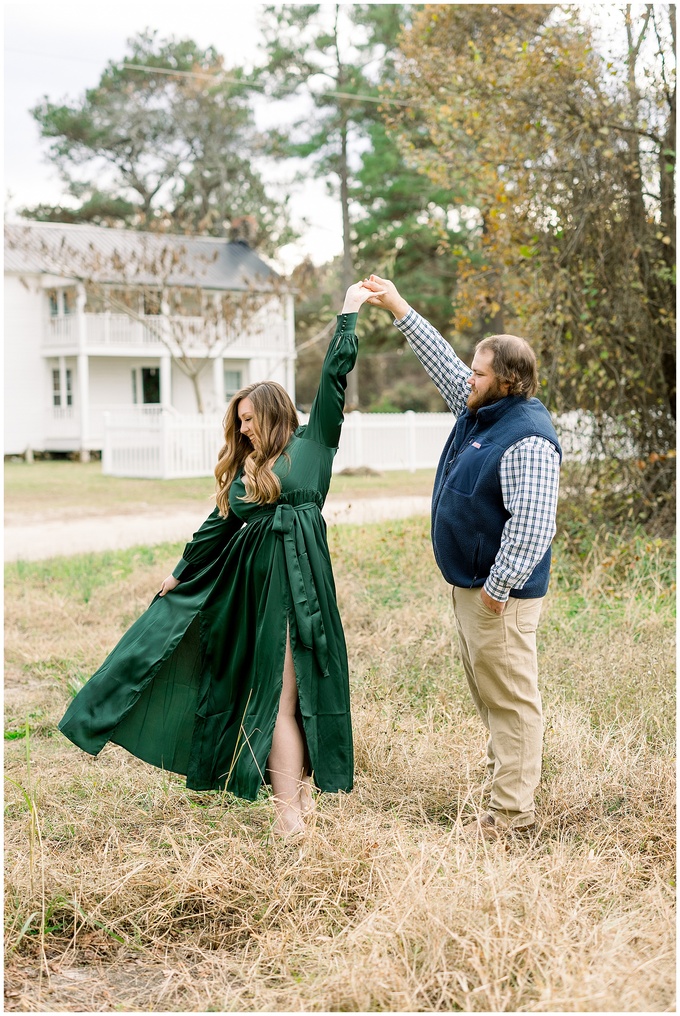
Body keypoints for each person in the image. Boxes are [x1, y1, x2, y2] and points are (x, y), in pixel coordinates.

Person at [59, 282, 380, 839]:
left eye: (251, 418)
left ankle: (292, 810)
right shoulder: (242, 472)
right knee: (275, 693)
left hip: (300, 584)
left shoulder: (314, 444)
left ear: (275, 414)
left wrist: (349, 311)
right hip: (249, 593)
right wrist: (179, 574)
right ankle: (289, 812)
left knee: (295, 691)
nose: (244, 428)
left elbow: (333, 375)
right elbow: (214, 530)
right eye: (240, 421)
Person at [363, 275, 561, 839]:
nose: (466, 379)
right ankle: (506, 795)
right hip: (473, 588)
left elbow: (534, 522)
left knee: (512, 700)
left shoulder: (527, 437)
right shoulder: (482, 409)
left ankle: (511, 818)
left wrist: (498, 588)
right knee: (493, 695)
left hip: (500, 596)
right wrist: (397, 305)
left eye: (478, 372)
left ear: (507, 381)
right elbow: (442, 361)